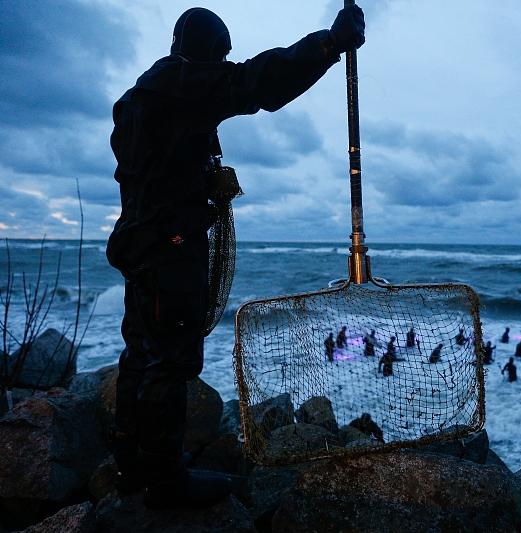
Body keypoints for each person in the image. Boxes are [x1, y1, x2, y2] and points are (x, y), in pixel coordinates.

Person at [105, 5, 365, 509]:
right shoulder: (181, 88)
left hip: (139, 244)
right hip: (169, 248)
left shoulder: (137, 99)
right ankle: (163, 481)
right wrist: (327, 46)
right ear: (200, 50)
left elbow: (152, 172)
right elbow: (258, 82)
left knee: (141, 352)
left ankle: (131, 465)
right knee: (170, 359)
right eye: (220, 55)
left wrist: (200, 178)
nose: (223, 64)